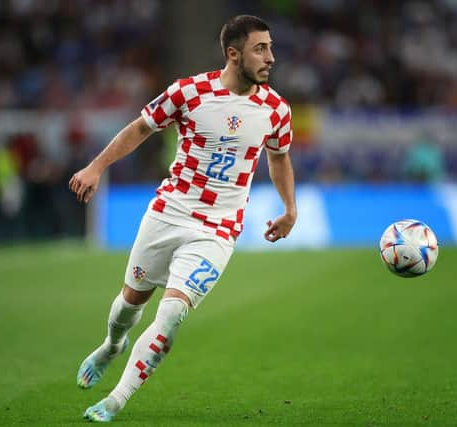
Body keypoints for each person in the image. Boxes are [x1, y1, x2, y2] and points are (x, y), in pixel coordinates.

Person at [68, 15, 297, 422]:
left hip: (218, 228)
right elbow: (140, 129)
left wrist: (289, 208)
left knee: (172, 313)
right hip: (169, 212)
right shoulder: (190, 92)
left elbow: (279, 158)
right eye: (260, 49)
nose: (270, 57)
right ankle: (112, 344)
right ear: (233, 53)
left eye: (270, 48)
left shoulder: (276, 109)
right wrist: (95, 167)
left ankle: (116, 400)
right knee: (131, 301)